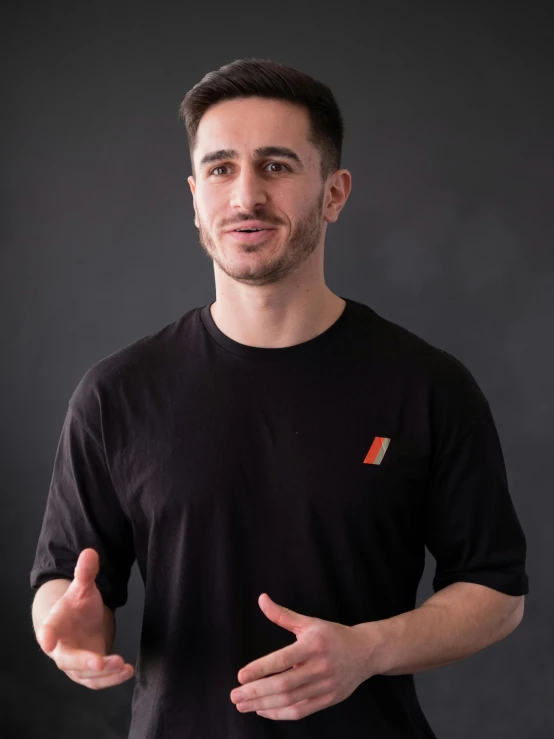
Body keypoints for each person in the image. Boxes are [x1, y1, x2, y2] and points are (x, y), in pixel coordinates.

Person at [30, 58, 528, 739]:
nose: (245, 196)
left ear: (334, 192)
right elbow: (64, 579)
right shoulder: (117, 393)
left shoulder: (428, 385)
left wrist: (370, 648)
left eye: (276, 165)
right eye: (220, 168)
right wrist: (69, 627)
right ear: (194, 194)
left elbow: (497, 592)